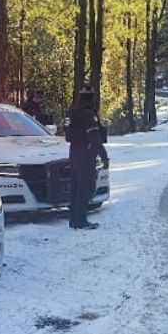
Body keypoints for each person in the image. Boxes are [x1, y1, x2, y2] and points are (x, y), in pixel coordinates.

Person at [67, 87, 106, 230]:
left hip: (74, 154)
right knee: (85, 188)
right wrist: (104, 156)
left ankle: (73, 219)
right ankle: (80, 220)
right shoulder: (88, 114)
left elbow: (68, 134)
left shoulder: (73, 112)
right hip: (86, 154)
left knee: (75, 188)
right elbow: (94, 137)